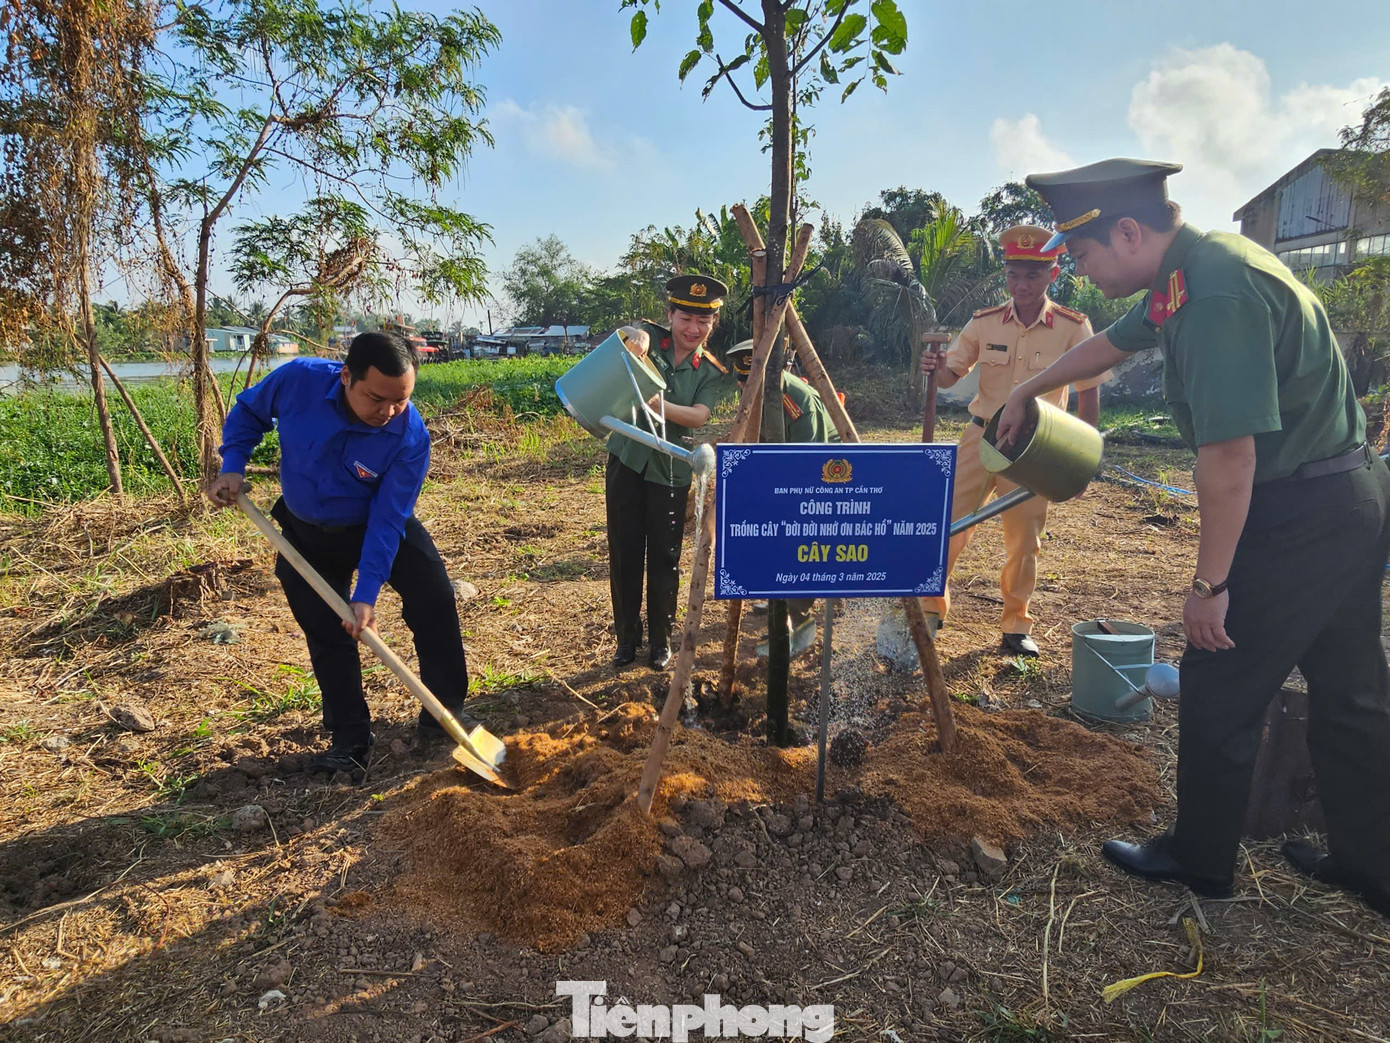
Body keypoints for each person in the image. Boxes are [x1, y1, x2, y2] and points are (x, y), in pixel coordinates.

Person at [992, 158, 1390, 917]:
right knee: (1352, 691)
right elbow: (1111, 343)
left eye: (1083, 256)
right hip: (1349, 494)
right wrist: (1026, 388)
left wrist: (1209, 585)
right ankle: (1374, 863)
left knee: (1218, 675)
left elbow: (1229, 459)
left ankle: (1201, 858)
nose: (1080, 273)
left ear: (1130, 232)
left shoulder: (1211, 296)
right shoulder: (1190, 273)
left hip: (1301, 509)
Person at [206, 332, 476, 779]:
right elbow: (250, 412)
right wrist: (232, 465)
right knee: (327, 631)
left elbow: (390, 519)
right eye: (377, 398)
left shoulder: (409, 436)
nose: (388, 412)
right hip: (306, 529)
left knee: (434, 597)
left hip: (376, 522)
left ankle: (444, 713)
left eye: (401, 401)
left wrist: (366, 593)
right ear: (347, 376)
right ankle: (350, 737)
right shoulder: (300, 381)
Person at [919, 224, 1106, 657]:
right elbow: (950, 376)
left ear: (1052, 275)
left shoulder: (1072, 328)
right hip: (980, 436)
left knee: (1024, 539)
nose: (1021, 285)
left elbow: (1088, 392)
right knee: (946, 524)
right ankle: (929, 609)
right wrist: (936, 365)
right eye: (1013, 275)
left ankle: (1015, 625)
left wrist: (1083, 458)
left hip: (1036, 448)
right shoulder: (984, 324)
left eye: (1032, 276)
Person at [607, 275, 729, 671]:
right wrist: (633, 335)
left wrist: (658, 406)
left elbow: (698, 415)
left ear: (712, 326)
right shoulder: (648, 339)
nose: (693, 329)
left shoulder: (711, 371)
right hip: (626, 460)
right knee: (625, 554)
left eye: (703, 322)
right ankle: (626, 639)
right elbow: (623, 335)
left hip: (672, 470)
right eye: (686, 318)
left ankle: (661, 640)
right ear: (671, 315)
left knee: (665, 557)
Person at [725, 338, 840, 656]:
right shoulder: (751, 391)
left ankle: (799, 622)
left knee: (804, 540)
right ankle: (776, 593)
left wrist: (781, 496)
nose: (749, 389)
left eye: (756, 383)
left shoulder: (793, 395)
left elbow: (809, 461)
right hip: (780, 472)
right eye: (743, 382)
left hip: (826, 475)